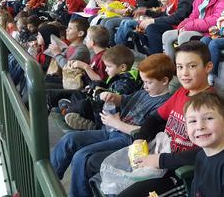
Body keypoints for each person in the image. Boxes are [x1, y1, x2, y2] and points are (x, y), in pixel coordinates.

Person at [85, 41, 213, 196]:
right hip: (157, 153)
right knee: (93, 163)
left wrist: (159, 160)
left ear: (208, 67)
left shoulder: (211, 103)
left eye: (191, 66)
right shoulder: (182, 92)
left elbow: (203, 151)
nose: (184, 73)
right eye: (179, 67)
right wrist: (140, 138)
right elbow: (154, 118)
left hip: (175, 173)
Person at [51, 53, 173, 197]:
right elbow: (125, 99)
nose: (145, 85)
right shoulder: (144, 93)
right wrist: (113, 97)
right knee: (70, 139)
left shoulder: (165, 103)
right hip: (111, 130)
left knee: (82, 156)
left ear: (164, 80)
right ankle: (49, 179)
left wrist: (117, 123)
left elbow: (148, 133)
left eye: (149, 82)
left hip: (127, 139)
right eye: (143, 81)